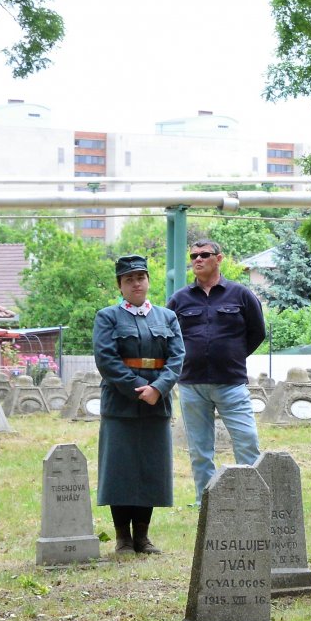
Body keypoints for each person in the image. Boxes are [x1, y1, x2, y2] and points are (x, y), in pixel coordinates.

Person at [92, 255, 185, 555]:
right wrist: (136, 389)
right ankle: (123, 539)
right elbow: (106, 359)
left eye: (140, 277)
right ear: (120, 285)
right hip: (120, 404)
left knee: (149, 470)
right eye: (129, 279)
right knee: (120, 470)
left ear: (148, 281)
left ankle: (142, 537)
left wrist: (158, 388)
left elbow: (177, 357)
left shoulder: (166, 317)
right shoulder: (107, 317)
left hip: (157, 404)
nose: (136, 283)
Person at [168, 235, 265, 503]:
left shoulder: (241, 294)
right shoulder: (179, 300)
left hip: (231, 384)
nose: (197, 260)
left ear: (218, 259)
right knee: (200, 451)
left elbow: (257, 333)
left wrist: (231, 356)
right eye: (193, 256)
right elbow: (168, 338)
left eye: (204, 255)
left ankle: (251, 500)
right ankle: (206, 504)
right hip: (191, 385)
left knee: (247, 441)